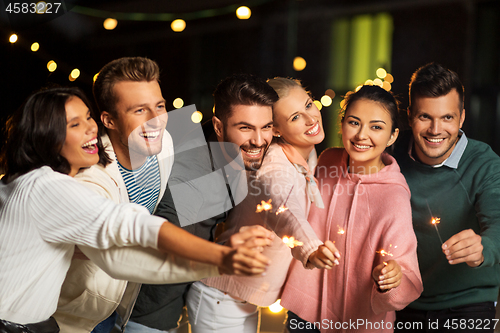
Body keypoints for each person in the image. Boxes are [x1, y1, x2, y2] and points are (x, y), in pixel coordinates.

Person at [0, 87, 271, 333]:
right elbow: (135, 225)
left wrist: (215, 263)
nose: (91, 129)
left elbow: (119, 261)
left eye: (87, 117)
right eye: (74, 124)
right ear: (46, 135)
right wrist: (221, 256)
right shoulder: (45, 186)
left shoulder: (23, 182)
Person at [126, 73, 282, 333]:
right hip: (147, 318)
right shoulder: (194, 173)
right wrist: (224, 253)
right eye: (245, 128)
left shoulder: (228, 146)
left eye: (266, 127)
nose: (258, 140)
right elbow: (160, 236)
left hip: (181, 306)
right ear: (220, 127)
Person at [187, 77, 339, 333]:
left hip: (241, 298)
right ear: (276, 129)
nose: (311, 119)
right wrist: (311, 248)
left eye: (309, 105)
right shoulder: (275, 167)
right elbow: (282, 207)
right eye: (294, 117)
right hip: (221, 298)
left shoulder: (305, 154)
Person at [281, 85, 423, 332]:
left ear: (392, 136)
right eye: (354, 123)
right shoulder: (326, 160)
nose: (361, 136)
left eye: (376, 127)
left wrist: (393, 278)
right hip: (305, 313)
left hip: (360, 321)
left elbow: (407, 273)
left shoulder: (394, 196)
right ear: (342, 123)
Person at [393, 63, 500, 332]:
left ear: (462, 118)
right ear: (409, 117)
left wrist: (484, 247)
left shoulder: (485, 163)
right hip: (403, 303)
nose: (435, 129)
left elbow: (498, 222)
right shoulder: (389, 155)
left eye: (447, 118)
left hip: (469, 303)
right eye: (425, 117)